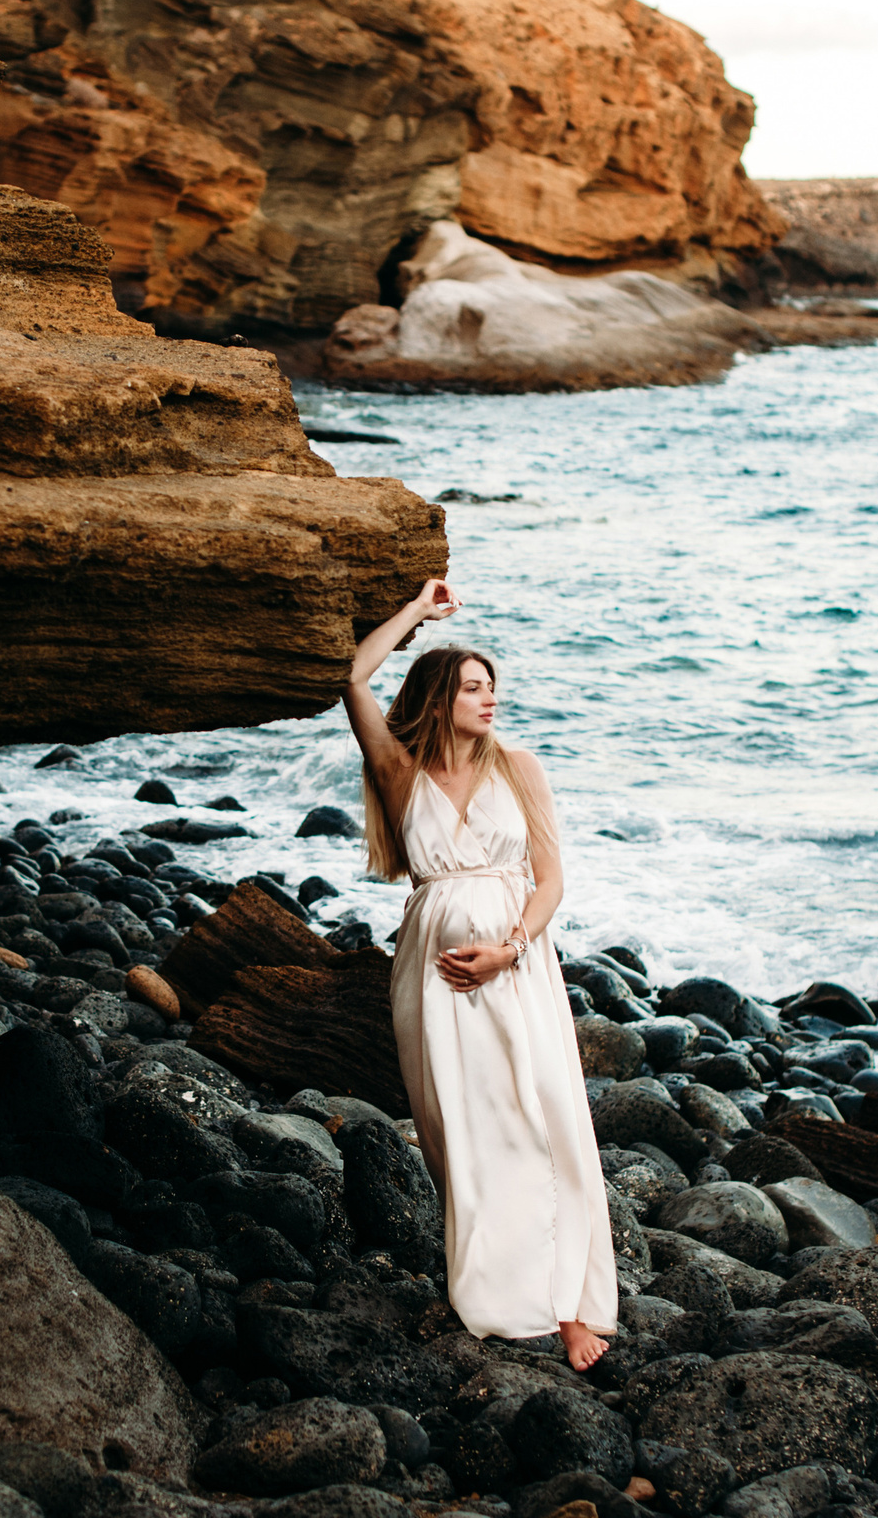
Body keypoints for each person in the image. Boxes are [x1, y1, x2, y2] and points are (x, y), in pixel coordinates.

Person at [342, 577, 618, 1370]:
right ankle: (496, 1295)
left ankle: (568, 1311)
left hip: (516, 971)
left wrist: (511, 949)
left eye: (492, 687)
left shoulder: (520, 768)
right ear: (439, 697)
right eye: (472, 687)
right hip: (429, 983)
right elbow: (355, 678)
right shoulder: (399, 772)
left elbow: (552, 881)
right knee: (462, 1138)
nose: (489, 699)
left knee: (545, 1122)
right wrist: (419, 614)